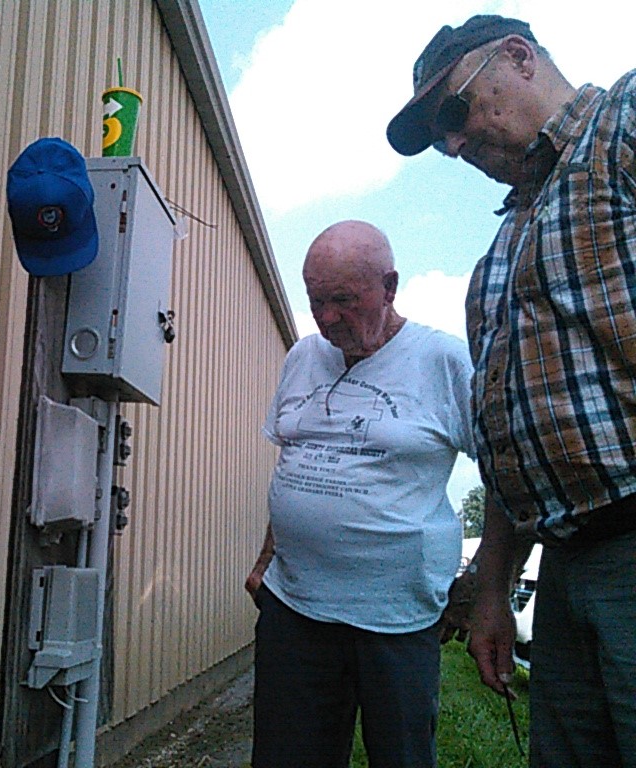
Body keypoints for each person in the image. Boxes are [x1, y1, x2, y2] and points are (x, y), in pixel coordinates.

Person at [387, 14, 636, 767]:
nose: (452, 145)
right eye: (439, 137)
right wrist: (492, 586)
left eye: (454, 112)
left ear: (519, 57)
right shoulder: (496, 260)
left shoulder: (620, 124)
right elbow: (510, 441)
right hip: (564, 562)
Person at [245, 221, 475, 768]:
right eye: (315, 301)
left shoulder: (444, 361)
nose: (326, 318)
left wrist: (485, 587)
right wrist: (267, 555)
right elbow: (296, 457)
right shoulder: (303, 356)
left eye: (344, 300)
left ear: (389, 287)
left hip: (396, 617)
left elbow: (506, 469)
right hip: (294, 608)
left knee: (400, 757)